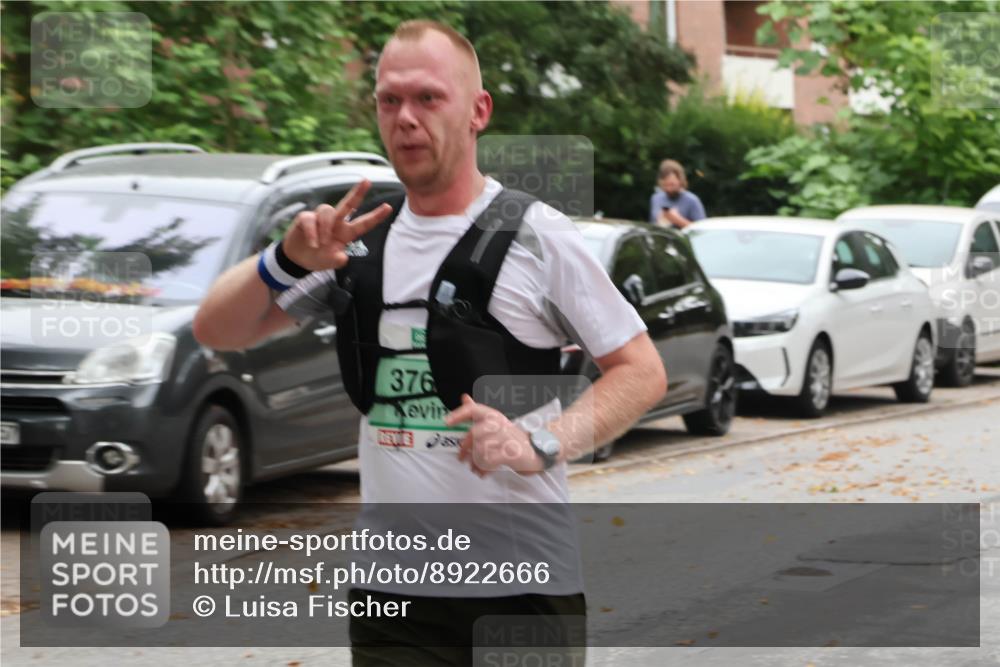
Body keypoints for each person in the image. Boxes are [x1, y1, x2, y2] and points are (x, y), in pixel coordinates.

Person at [194, 19, 666, 665]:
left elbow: (640, 370)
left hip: (519, 589)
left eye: (427, 98)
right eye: (389, 100)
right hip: (392, 598)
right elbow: (216, 329)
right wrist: (286, 256)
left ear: (478, 112)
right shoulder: (357, 239)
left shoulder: (535, 234)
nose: (405, 118)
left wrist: (541, 442)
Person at [648, 158, 706, 229]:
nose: (669, 188)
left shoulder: (692, 200)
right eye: (666, 185)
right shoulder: (656, 199)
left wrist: (677, 219)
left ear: (680, 181)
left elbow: (702, 230)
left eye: (672, 184)